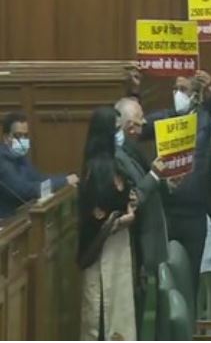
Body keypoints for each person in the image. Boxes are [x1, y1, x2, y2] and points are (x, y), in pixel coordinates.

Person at [126, 69, 211, 298]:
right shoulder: (164, 117)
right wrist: (134, 92)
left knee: (191, 283)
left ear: (195, 94)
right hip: (166, 211)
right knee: (163, 281)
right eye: (175, 89)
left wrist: (210, 95)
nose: (178, 93)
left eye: (184, 89)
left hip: (195, 212)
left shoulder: (206, 118)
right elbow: (136, 127)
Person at [78, 107, 138, 340]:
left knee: (120, 308)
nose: (119, 133)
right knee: (104, 311)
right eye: (115, 129)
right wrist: (123, 219)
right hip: (104, 250)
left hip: (119, 248)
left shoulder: (113, 163)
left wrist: (131, 202)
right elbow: (97, 215)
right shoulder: (95, 170)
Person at [114, 98, 169, 276]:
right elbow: (134, 197)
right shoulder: (117, 157)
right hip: (139, 245)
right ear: (130, 126)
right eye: (141, 118)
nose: (145, 122)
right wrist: (154, 175)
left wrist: (165, 181)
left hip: (152, 239)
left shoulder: (132, 148)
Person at [0, 111, 78, 218]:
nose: (23, 140)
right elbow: (25, 191)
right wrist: (63, 181)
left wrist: (66, 178)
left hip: (22, 217)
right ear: (6, 138)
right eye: (18, 135)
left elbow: (40, 179)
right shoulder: (3, 162)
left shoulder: (20, 157)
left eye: (25, 136)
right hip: (8, 224)